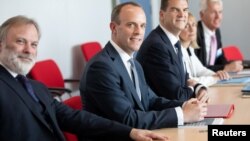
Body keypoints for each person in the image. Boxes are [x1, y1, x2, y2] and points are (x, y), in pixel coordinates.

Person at [0, 15, 169, 141]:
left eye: (34, 44)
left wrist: (130, 132)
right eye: (21, 41)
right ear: (1, 44)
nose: (29, 50)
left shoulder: (37, 87)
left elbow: (76, 118)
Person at [80, 1, 207, 130]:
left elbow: (151, 101)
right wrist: (182, 115)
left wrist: (185, 106)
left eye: (142, 26)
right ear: (114, 28)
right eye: (131, 25)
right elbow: (128, 119)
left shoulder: (134, 64)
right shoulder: (101, 68)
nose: (139, 32)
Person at [136, 0, 208, 102]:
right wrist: (194, 89)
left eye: (185, 10)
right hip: (166, 114)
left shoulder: (173, 41)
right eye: (175, 10)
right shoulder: (157, 46)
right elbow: (177, 96)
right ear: (162, 15)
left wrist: (199, 88)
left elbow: (185, 79)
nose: (182, 15)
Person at [180, 12, 230, 87]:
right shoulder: (178, 52)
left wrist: (216, 74)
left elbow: (200, 70)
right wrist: (214, 78)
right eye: (186, 26)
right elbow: (190, 81)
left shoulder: (189, 49)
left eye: (193, 25)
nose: (192, 29)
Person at [195, 0, 243, 72]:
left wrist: (232, 65)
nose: (218, 16)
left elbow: (219, 56)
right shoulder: (194, 32)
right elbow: (198, 69)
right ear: (202, 15)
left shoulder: (216, 32)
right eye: (213, 12)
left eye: (220, 12)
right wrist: (225, 68)